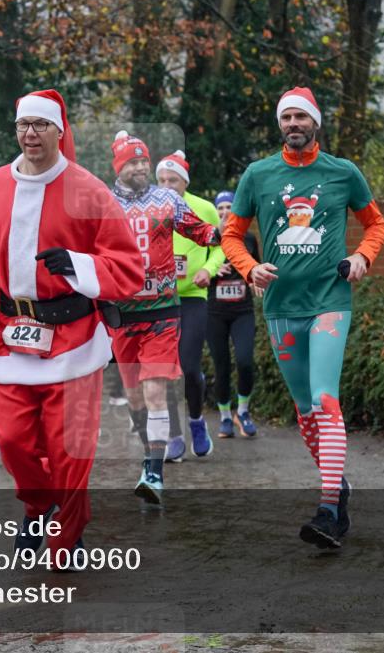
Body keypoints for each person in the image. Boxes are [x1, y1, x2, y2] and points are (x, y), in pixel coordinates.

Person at [0, 89, 142, 568]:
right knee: (12, 440)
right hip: (9, 335)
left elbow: (128, 267)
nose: (31, 134)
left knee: (70, 454)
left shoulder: (89, 190)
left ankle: (68, 538)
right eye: (23, 125)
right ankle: (38, 506)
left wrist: (78, 264)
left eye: (41, 125)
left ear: (60, 131)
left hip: (72, 339)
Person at [222, 87, 384, 548]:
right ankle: (339, 486)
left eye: (301, 117)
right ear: (280, 124)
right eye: (287, 117)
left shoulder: (342, 172)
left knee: (324, 398)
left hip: (329, 301)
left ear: (315, 122)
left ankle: (328, 508)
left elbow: (376, 223)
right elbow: (231, 235)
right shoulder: (258, 175)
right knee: (305, 409)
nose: (293, 124)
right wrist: (250, 268)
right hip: (281, 307)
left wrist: (362, 257)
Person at [108, 132, 220, 506]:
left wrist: (224, 235)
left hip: (163, 313)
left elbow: (202, 232)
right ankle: (149, 452)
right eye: (133, 162)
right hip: (123, 316)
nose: (141, 167)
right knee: (135, 396)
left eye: (144, 161)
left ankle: (154, 471)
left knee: (155, 391)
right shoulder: (104, 204)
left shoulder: (168, 200)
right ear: (119, 167)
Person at [155, 150, 224, 458]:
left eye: (173, 180)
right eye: (161, 180)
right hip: (160, 300)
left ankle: (196, 420)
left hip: (193, 297)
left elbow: (222, 244)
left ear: (185, 181)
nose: (167, 186)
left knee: (189, 368)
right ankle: (174, 433)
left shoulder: (204, 208)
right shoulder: (149, 209)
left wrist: (208, 269)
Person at [206, 190, 259, 438]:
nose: (225, 212)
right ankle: (225, 416)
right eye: (221, 208)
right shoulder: (208, 239)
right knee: (222, 365)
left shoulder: (248, 238)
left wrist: (255, 281)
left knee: (245, 361)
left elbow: (255, 268)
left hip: (242, 311)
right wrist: (212, 270)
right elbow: (196, 271)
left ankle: (243, 412)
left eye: (229, 207)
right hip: (214, 312)